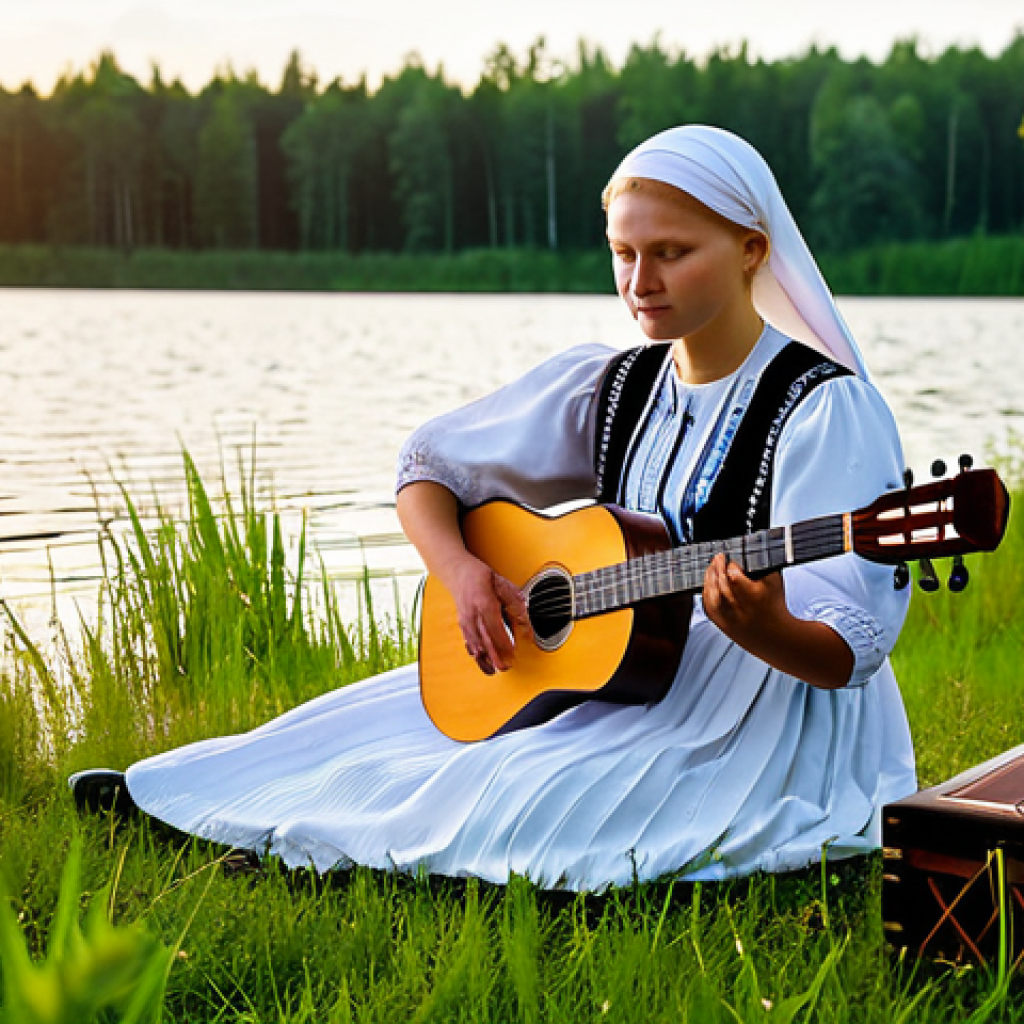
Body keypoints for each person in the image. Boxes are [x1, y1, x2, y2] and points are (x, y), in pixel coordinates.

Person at [72, 125, 917, 891]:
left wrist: (766, 628)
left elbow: (851, 643)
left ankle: (348, 855)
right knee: (366, 732)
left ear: (751, 248)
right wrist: (462, 574)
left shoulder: (823, 407)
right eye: (623, 253)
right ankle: (198, 802)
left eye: (670, 252)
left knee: (521, 788)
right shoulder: (612, 386)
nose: (640, 282)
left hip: (758, 707)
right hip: (610, 664)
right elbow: (428, 468)